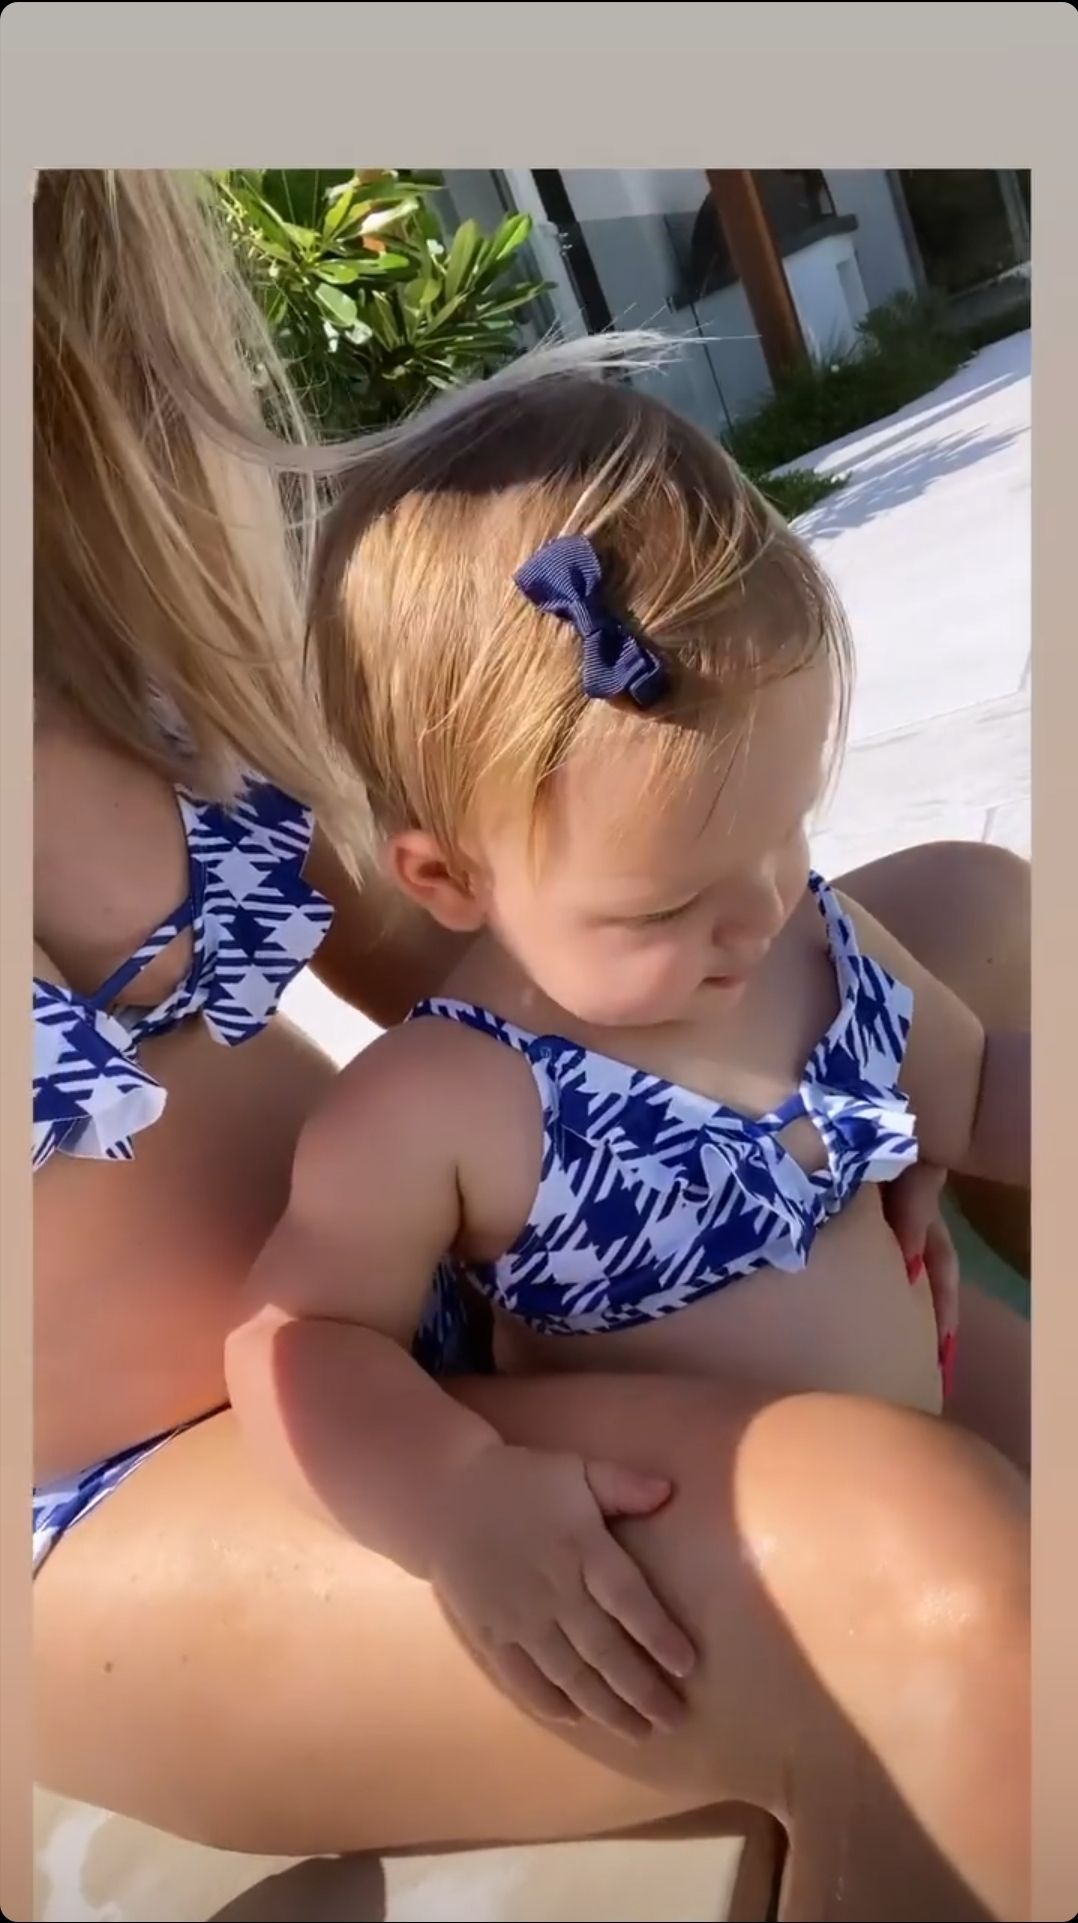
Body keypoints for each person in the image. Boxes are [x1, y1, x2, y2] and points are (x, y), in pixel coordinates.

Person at [31, 169, 1030, 1922]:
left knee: (977, 903)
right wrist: (453, 1497)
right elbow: (302, 1333)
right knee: (920, 1565)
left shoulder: (89, 589)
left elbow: (473, 931)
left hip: (457, 1285)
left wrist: (813, 1105)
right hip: (166, 1487)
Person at [229, 364, 1030, 1745]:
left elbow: (968, 1091)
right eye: (664, 908)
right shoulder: (447, 1104)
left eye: (785, 832)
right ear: (445, 878)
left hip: (938, 1404)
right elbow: (299, 1344)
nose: (759, 914)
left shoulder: (806, 937)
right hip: (742, 1576)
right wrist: (453, 1498)